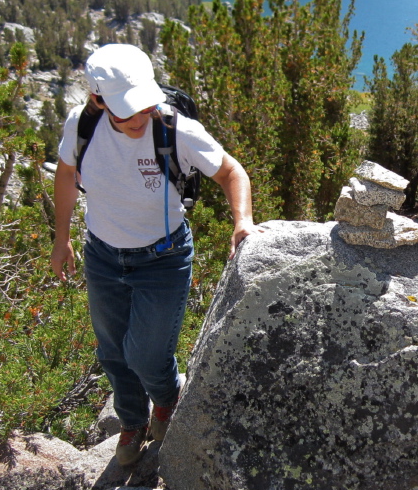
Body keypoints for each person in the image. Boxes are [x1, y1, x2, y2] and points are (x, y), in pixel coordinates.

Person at [50, 44, 261, 466]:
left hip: (162, 258)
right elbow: (67, 173)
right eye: (129, 109)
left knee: (146, 353)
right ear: (97, 100)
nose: (142, 117)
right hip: (103, 255)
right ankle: (131, 422)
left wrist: (244, 220)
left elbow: (230, 171)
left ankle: (165, 399)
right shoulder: (82, 126)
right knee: (112, 350)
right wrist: (61, 238)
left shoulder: (174, 128)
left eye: (146, 105)